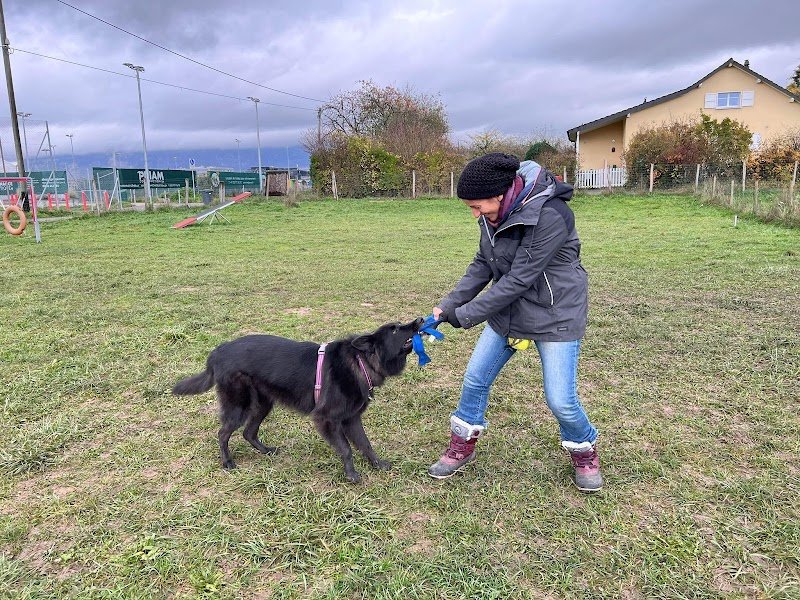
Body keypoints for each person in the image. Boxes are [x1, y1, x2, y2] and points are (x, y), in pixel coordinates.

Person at [429, 152, 602, 492]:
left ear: (500, 193)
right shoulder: (493, 215)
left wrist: (464, 316)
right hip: (509, 312)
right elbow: (483, 263)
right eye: (470, 208)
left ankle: (584, 451)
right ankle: (463, 446)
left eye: (477, 207)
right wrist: (448, 304)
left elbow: (521, 278)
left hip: (556, 313)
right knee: (476, 379)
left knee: (560, 399)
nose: (475, 215)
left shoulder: (551, 214)